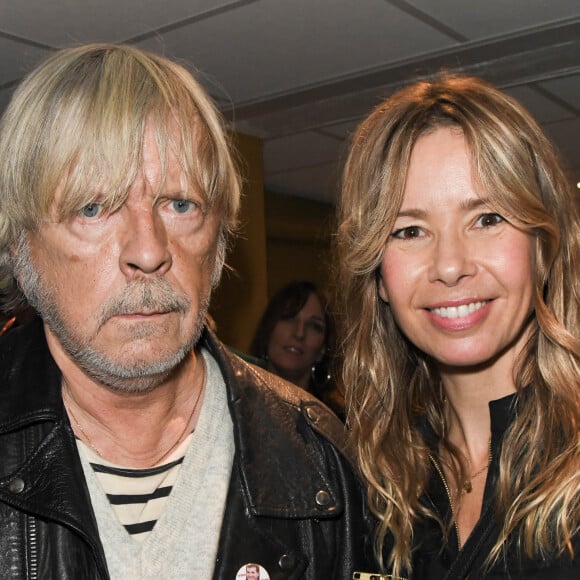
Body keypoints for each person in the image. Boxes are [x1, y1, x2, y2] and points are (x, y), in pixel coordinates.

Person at [0, 43, 372, 579]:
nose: (149, 250)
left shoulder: (318, 455)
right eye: (92, 207)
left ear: (218, 243)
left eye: (180, 204)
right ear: (21, 247)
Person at [335, 74, 579, 579]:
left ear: (545, 243)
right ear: (378, 277)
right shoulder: (370, 485)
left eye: (487, 219)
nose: (449, 265)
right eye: (410, 230)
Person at [250, 281, 345, 417]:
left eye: (314, 326)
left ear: (323, 349)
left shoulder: (336, 423)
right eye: (289, 318)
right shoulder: (234, 396)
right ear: (268, 328)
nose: (299, 333)